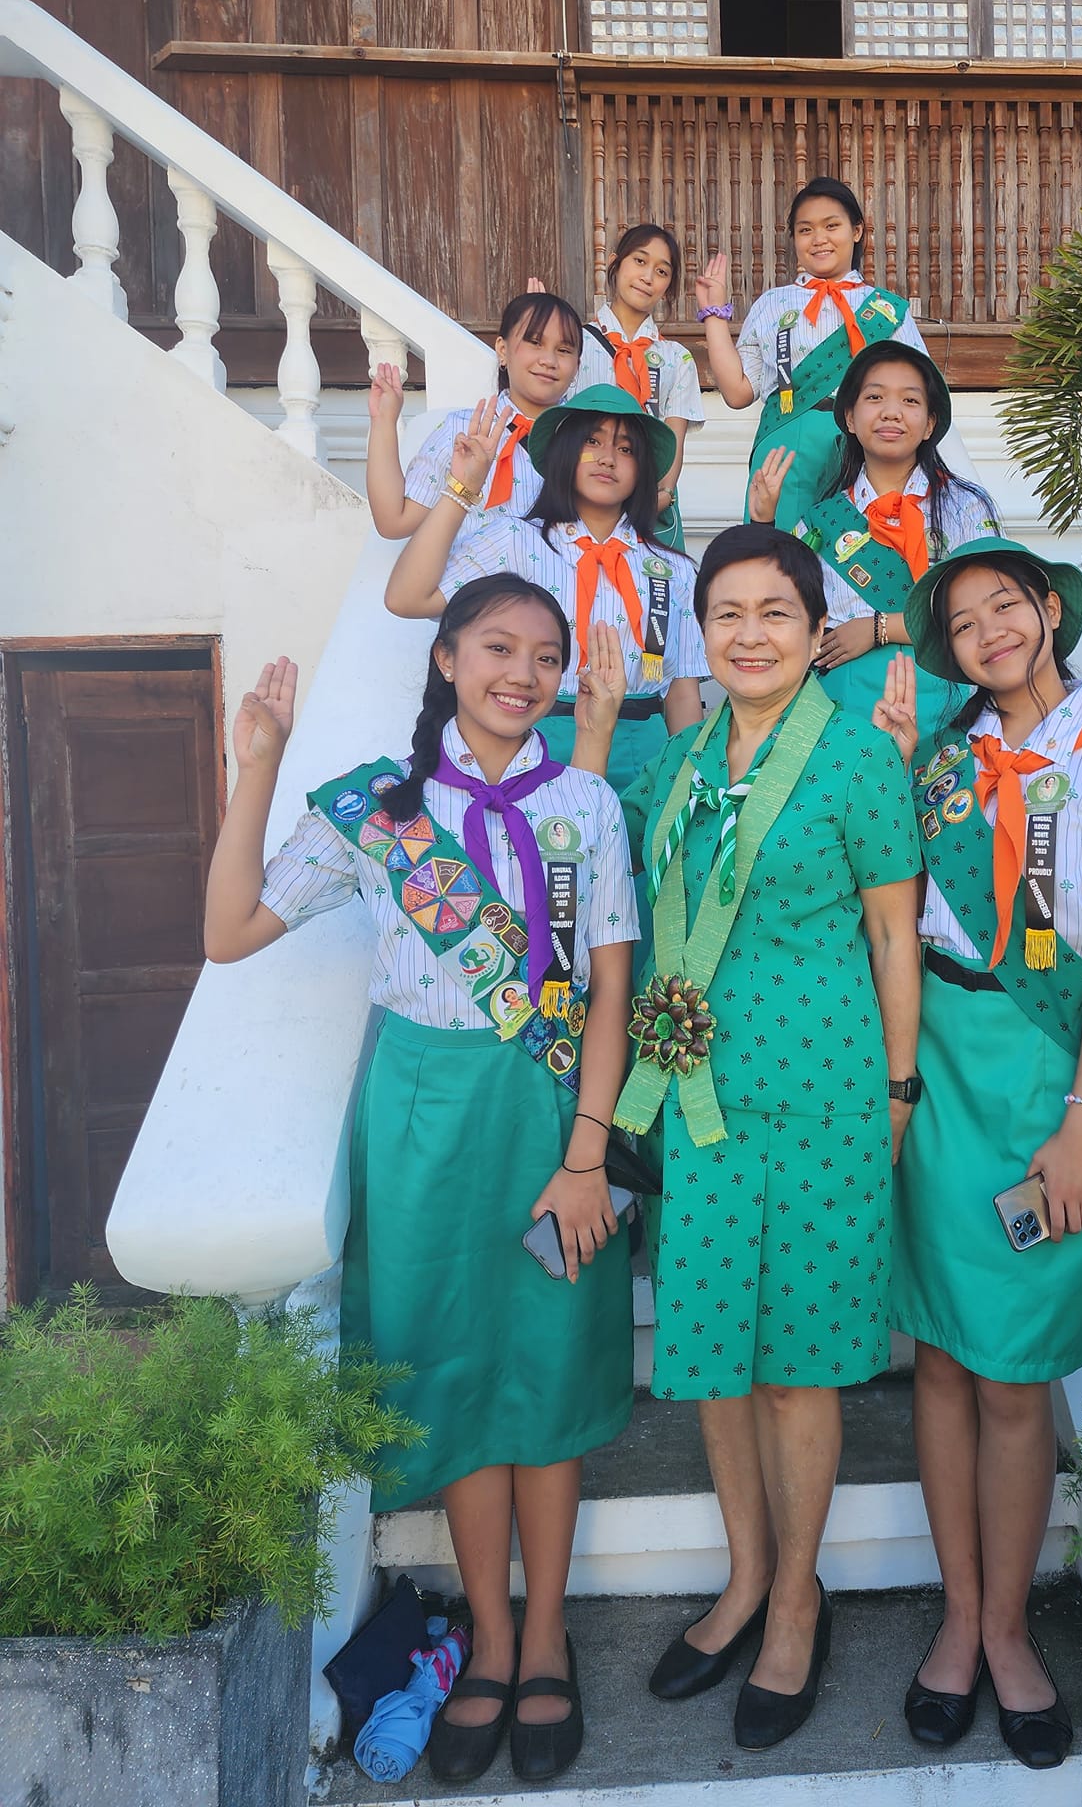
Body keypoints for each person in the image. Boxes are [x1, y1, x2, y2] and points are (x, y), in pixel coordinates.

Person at [201, 576, 638, 1785]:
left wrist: (588, 1150)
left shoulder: (588, 804)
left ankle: (544, 1632)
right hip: (419, 1123)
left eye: (547, 655)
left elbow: (608, 988)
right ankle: (488, 1637)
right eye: (499, 646)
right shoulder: (376, 813)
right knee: (451, 1372)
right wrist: (260, 759)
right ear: (446, 658)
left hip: (550, 1114)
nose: (525, 671)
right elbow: (230, 927)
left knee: (545, 1372)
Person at [576, 522, 922, 1750]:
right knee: (718, 1354)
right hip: (699, 1100)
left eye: (776, 611)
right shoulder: (679, 762)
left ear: (814, 622)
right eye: (727, 613)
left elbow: (893, 936)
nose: (751, 633)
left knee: (800, 1363)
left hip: (827, 1096)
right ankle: (739, 1572)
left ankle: (794, 1597)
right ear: (703, 630)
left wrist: (896, 1090)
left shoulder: (857, 763)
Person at [869, 537, 1082, 1771]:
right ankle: (959, 1615)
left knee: (1011, 1377)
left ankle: (1008, 1629)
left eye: (1007, 603)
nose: (989, 629)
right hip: (934, 1058)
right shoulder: (944, 760)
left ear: (1049, 611)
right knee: (942, 1361)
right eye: (962, 621)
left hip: (1047, 1082)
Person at [384, 385, 706, 792]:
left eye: (626, 450)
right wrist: (460, 490)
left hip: (647, 758)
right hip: (532, 743)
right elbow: (407, 598)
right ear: (565, 452)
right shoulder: (513, 540)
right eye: (592, 441)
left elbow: (681, 694)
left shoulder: (674, 571)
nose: (607, 458)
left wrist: (688, 786)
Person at [748, 342, 1000, 741]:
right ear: (849, 417)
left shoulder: (966, 507)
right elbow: (773, 612)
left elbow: (991, 612)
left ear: (930, 423)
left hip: (951, 718)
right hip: (842, 724)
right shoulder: (821, 522)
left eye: (910, 400)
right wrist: (763, 522)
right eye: (875, 397)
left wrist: (878, 628)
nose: (891, 411)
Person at [695, 176, 932, 532]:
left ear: (856, 231)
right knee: (782, 561)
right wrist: (714, 314)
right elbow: (738, 392)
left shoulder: (885, 310)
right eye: (806, 230)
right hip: (785, 445)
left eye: (831, 226)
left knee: (858, 562)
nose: (818, 239)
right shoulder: (773, 304)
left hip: (868, 445)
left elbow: (920, 390)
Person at [364, 291, 585, 540]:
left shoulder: (589, 440)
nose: (548, 360)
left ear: (577, 366)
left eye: (564, 349)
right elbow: (394, 522)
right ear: (503, 350)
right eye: (535, 342)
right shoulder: (462, 431)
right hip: (474, 577)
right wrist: (383, 421)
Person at [571, 223, 705, 552]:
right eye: (640, 261)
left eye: (662, 271)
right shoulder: (575, 344)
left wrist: (662, 494)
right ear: (615, 264)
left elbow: (673, 437)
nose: (648, 277)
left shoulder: (676, 359)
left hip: (649, 502)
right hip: (584, 495)